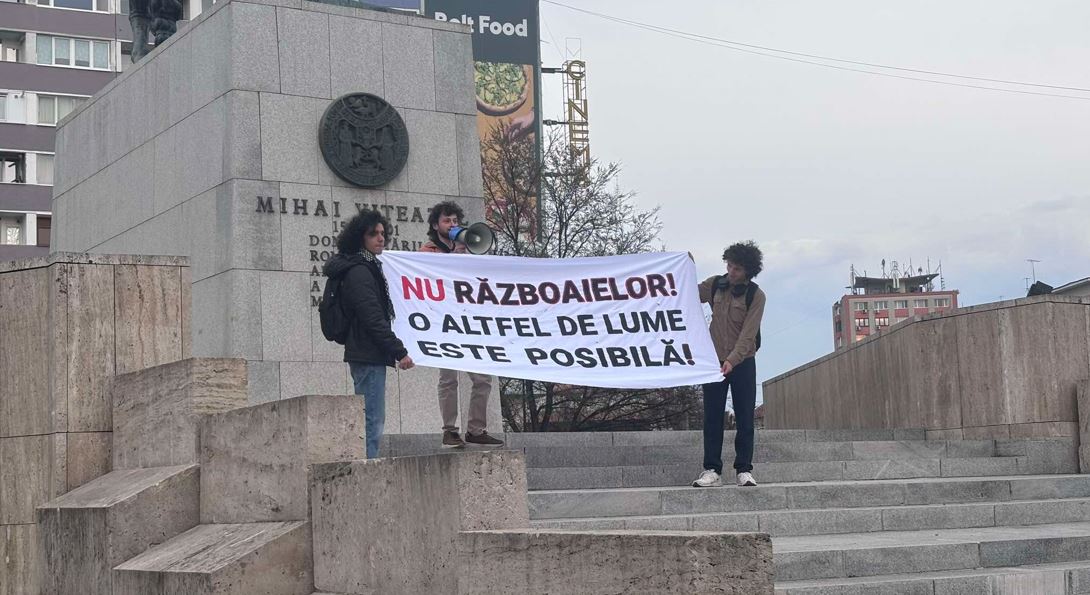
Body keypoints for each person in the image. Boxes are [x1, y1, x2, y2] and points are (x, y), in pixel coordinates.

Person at [323, 210, 414, 459]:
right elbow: (372, 317)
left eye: (383, 233)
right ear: (359, 238)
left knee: (370, 418)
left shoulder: (366, 267)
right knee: (371, 420)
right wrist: (399, 351)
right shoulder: (360, 271)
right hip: (368, 354)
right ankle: (366, 469)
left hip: (366, 353)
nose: (381, 238)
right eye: (373, 234)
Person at [419, 200, 504, 449]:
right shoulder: (427, 251)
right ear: (436, 225)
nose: (452, 225)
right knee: (448, 379)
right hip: (443, 323)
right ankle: (449, 430)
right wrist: (456, 255)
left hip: (468, 323)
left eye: (455, 221)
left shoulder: (468, 249)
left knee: (483, 379)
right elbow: (434, 279)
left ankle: (476, 429)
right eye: (447, 221)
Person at [692, 241, 766, 488]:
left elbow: (748, 334)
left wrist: (732, 360)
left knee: (745, 417)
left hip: (743, 361)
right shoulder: (715, 284)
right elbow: (687, 293)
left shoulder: (756, 295)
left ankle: (744, 470)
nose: (731, 272)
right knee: (712, 417)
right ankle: (712, 469)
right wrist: (686, 267)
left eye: (737, 269)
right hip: (713, 361)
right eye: (730, 266)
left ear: (748, 271)